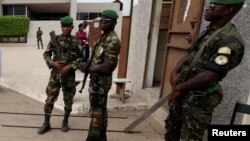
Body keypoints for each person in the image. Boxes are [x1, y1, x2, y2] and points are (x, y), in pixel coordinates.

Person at [165, 0, 245, 141]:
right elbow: (190, 54)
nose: (208, 9)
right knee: (172, 133)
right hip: (183, 94)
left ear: (228, 10)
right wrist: (174, 72)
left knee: (189, 137)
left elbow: (210, 75)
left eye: (213, 6)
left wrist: (180, 88)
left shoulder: (230, 40)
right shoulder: (210, 31)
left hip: (198, 100)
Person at [37, 16, 84, 134]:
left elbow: (81, 58)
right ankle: (46, 122)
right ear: (61, 27)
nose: (65, 29)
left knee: (68, 99)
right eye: (63, 26)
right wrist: (52, 63)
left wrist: (69, 67)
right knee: (50, 98)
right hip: (55, 74)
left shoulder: (75, 41)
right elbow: (46, 54)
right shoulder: (55, 39)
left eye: (68, 27)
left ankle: (65, 121)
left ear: (72, 27)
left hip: (68, 75)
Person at [82, 9, 121, 141]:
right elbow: (96, 58)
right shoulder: (103, 37)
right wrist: (88, 64)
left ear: (114, 23)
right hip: (96, 79)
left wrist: (89, 69)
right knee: (101, 109)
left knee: (96, 111)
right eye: (101, 20)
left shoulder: (113, 40)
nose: (102, 23)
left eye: (105, 21)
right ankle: (102, 135)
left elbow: (108, 66)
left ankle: (91, 137)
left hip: (101, 82)